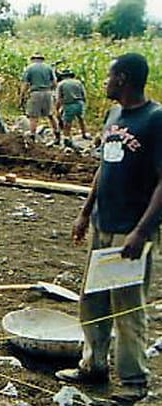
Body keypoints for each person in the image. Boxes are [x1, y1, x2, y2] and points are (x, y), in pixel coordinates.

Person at [56, 53, 162, 404]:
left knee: (127, 307)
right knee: (93, 301)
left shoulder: (155, 119)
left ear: (125, 79)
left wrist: (143, 231)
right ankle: (94, 365)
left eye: (109, 76)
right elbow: (104, 167)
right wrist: (85, 213)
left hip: (129, 229)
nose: (104, 81)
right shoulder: (113, 115)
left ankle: (133, 382)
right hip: (103, 222)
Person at [21, 53, 60, 143]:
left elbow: (25, 84)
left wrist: (22, 95)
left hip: (35, 93)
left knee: (33, 117)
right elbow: (54, 82)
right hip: (47, 92)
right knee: (50, 115)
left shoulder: (30, 68)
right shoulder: (49, 68)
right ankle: (57, 134)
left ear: (33, 59)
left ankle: (32, 136)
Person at [55, 69, 88, 149]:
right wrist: (84, 102)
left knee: (67, 122)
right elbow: (84, 94)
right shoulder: (78, 82)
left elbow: (59, 98)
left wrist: (57, 108)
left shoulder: (61, 84)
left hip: (69, 104)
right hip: (79, 102)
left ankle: (66, 138)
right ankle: (84, 134)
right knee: (81, 119)